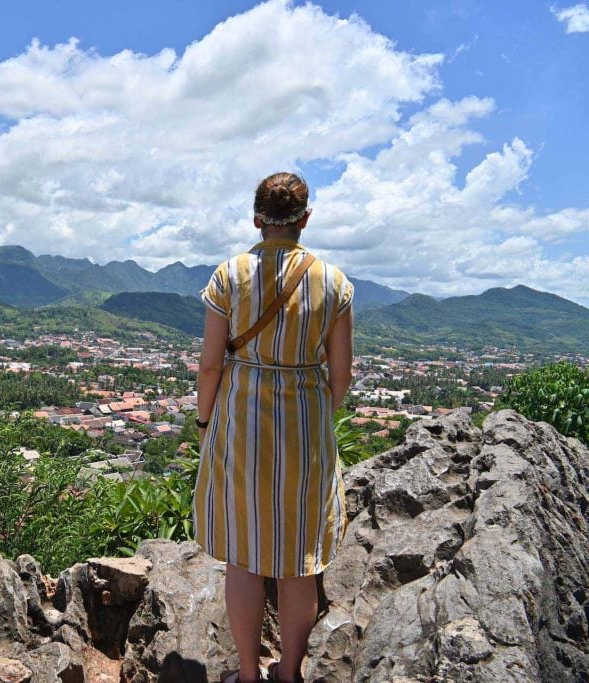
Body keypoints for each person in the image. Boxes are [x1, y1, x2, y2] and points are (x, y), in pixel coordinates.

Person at [192, 172, 354, 683]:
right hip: (305, 422)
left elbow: (210, 366)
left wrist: (203, 420)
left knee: (244, 554)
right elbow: (342, 373)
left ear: (257, 220)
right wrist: (314, 416)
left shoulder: (229, 275)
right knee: (298, 558)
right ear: (306, 219)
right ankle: (288, 672)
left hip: (239, 419)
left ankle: (246, 672)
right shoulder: (334, 282)